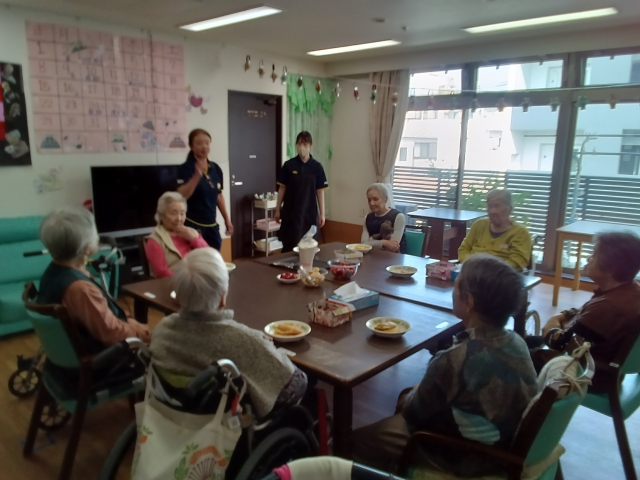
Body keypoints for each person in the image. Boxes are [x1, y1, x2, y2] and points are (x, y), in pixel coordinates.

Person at [352, 255, 538, 476]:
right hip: (503, 444)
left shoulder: (454, 359)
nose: (453, 292)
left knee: (357, 441)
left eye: (456, 286)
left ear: (469, 302)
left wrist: (412, 394)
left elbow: (413, 413)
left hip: (467, 454)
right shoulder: (517, 342)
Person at [150, 247, 307, 419]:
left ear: (178, 296)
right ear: (223, 297)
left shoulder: (162, 331)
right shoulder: (242, 340)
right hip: (225, 424)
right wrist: (266, 346)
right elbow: (295, 382)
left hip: (175, 416)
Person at [531, 231, 640, 392]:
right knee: (528, 342)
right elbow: (583, 311)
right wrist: (565, 315)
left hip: (589, 374)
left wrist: (553, 320)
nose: (588, 259)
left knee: (512, 356)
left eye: (593, 255)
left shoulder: (608, 307)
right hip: (609, 367)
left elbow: (558, 343)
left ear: (611, 269)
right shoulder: (630, 290)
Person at [37, 206, 150, 354]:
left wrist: (130, 322)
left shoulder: (53, 272)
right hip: (102, 356)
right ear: (86, 248)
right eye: (95, 232)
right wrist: (144, 334)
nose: (98, 237)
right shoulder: (80, 288)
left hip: (73, 351)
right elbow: (112, 334)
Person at [176, 128, 233, 251]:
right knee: (197, 259)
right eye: (199, 143)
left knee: (214, 257)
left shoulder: (215, 168)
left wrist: (227, 220)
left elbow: (218, 196)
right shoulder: (185, 169)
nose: (204, 146)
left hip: (212, 225)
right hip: (192, 225)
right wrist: (197, 176)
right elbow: (182, 195)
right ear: (191, 146)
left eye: (207, 143)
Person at [275, 131, 328, 252]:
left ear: (311, 145)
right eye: (299, 143)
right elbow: (282, 188)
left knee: (308, 247)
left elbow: (320, 191)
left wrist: (322, 213)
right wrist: (277, 209)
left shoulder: (317, 167)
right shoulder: (288, 165)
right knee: (289, 246)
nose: (302, 146)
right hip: (291, 212)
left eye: (305, 143)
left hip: (309, 213)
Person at [458, 189, 532, 272]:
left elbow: (516, 262)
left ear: (509, 209)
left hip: (502, 275)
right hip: (473, 272)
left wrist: (489, 271)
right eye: (490, 206)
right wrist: (470, 264)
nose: (492, 211)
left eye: (497, 206)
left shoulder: (520, 233)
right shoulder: (479, 225)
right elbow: (463, 249)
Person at [144, 192, 209, 278]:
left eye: (182, 213)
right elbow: (162, 273)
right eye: (173, 213)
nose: (179, 218)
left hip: (198, 280)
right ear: (161, 216)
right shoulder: (155, 240)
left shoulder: (192, 232)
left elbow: (210, 258)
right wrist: (188, 278)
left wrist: (195, 240)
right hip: (172, 283)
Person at [361, 183, 406, 253]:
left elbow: (393, 247)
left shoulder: (398, 217)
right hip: (373, 255)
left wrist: (371, 242)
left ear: (385, 199)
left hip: (394, 257)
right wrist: (384, 243)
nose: (371, 203)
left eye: (375, 199)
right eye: (369, 200)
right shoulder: (368, 218)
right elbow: (363, 245)